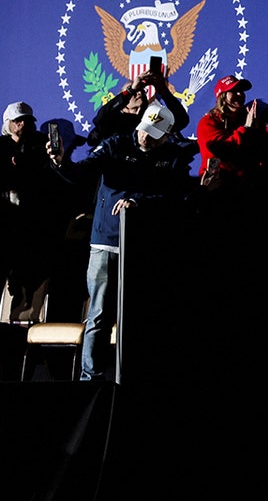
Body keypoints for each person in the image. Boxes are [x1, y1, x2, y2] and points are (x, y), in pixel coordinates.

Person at [48, 102, 195, 381]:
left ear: (166, 135)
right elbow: (81, 174)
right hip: (106, 244)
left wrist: (139, 202)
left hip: (143, 248)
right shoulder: (116, 145)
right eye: (143, 130)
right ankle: (90, 378)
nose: (145, 137)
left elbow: (176, 199)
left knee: (140, 316)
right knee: (100, 314)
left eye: (153, 134)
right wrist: (60, 162)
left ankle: (132, 376)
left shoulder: (172, 157)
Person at [0, 101, 60, 324]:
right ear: (8, 123)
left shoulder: (40, 147)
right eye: (17, 120)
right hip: (4, 225)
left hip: (29, 230)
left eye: (26, 120)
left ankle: (20, 335)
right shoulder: (1, 147)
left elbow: (45, 181)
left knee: (28, 285)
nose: (23, 124)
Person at [88, 69, 190, 147]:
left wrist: (163, 91)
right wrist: (130, 90)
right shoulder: (114, 121)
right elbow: (101, 118)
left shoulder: (152, 116)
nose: (139, 92)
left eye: (141, 89)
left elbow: (181, 121)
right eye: (134, 91)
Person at [196, 74, 261, 191]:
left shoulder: (246, 117)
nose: (240, 94)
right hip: (221, 186)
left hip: (248, 184)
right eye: (234, 91)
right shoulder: (208, 122)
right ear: (222, 97)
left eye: (241, 91)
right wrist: (246, 128)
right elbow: (217, 152)